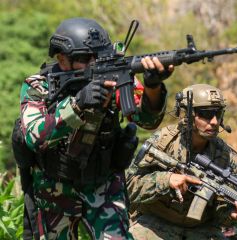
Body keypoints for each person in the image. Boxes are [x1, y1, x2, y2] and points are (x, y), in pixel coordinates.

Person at [19, 17, 174, 240]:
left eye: (98, 56)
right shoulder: (38, 86)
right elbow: (34, 136)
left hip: (104, 184)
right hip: (55, 187)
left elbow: (148, 121)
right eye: (84, 58)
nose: (93, 63)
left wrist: (153, 88)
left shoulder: (114, 76)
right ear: (62, 59)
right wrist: (77, 104)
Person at [127, 84, 237, 240]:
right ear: (188, 115)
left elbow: (219, 212)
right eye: (206, 114)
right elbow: (129, 186)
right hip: (156, 225)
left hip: (200, 229)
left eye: (218, 113)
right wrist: (166, 180)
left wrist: (232, 216)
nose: (214, 121)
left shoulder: (223, 154)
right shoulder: (164, 142)